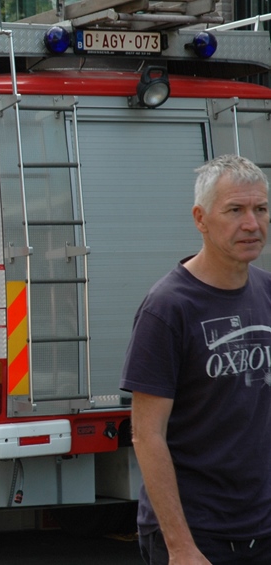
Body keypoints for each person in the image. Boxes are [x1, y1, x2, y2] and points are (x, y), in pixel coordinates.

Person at [121, 154, 271, 564]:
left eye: (260, 209)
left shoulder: (267, 292)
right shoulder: (168, 308)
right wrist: (181, 546)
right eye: (235, 210)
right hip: (197, 534)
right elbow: (146, 435)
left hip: (261, 528)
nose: (252, 224)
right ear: (200, 219)